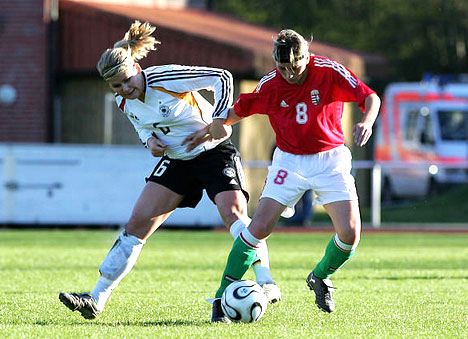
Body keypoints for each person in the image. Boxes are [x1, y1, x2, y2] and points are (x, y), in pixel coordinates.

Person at [58, 20, 281, 320]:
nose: (125, 89)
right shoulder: (124, 101)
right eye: (117, 86)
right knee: (137, 224)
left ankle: (266, 283)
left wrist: (217, 120)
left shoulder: (166, 78)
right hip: (178, 160)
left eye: (127, 80)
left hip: (214, 154)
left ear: (136, 68)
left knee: (236, 217)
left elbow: (222, 77)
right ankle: (96, 297)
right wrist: (148, 141)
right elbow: (141, 127)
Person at [204, 29, 381, 321]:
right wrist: (217, 124)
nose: (288, 74)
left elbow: (369, 97)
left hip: (331, 160)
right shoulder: (271, 84)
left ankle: (320, 277)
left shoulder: (328, 71)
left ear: (306, 57)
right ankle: (222, 297)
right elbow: (237, 111)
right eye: (282, 68)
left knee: (349, 234)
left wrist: (368, 121)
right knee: (258, 228)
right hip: (289, 162)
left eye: (294, 67)